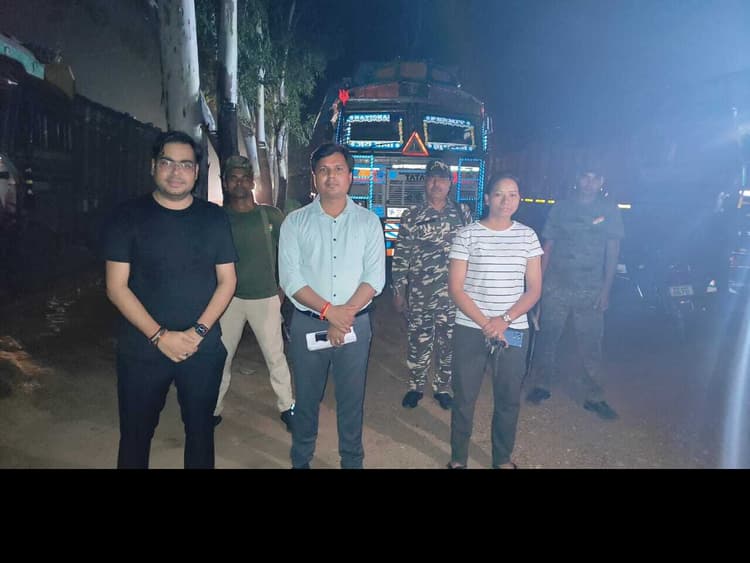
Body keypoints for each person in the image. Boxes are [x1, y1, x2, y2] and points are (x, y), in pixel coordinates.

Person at [103, 130, 238, 469]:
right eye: (168, 163)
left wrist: (197, 332)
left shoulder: (214, 218)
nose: (176, 172)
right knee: (135, 437)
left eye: (186, 164)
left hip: (201, 349)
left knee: (201, 434)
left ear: (196, 171)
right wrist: (159, 336)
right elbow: (116, 287)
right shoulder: (127, 216)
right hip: (141, 349)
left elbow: (227, 281)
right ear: (153, 166)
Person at [279, 142, 385, 469]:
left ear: (350, 176)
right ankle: (301, 460)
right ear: (314, 177)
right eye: (323, 170)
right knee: (306, 399)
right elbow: (290, 279)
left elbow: (374, 278)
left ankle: (351, 461)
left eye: (339, 169)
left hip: (355, 325)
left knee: (351, 400)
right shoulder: (295, 222)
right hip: (308, 323)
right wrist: (330, 313)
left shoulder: (369, 222)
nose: (331, 176)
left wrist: (343, 316)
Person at [447, 173, 542, 469]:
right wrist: (487, 323)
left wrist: (504, 320)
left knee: (508, 398)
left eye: (513, 194)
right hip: (470, 327)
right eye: (499, 194)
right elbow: (456, 288)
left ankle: (502, 458)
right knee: (464, 397)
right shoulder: (467, 235)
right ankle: (458, 458)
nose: (506, 201)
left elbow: (534, 289)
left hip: (513, 330)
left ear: (519, 199)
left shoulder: (528, 236)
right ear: (487, 198)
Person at [524, 169, 624, 420]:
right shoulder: (561, 209)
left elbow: (613, 252)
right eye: (585, 177)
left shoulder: (610, 210)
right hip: (556, 285)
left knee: (591, 344)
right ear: (577, 179)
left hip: (590, 288)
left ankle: (594, 396)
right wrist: (538, 287)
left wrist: (606, 289)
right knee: (547, 338)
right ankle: (541, 385)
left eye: (595, 178)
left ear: (602, 181)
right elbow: (548, 247)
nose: (590, 183)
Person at [213, 155, 295, 431]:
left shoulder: (269, 215)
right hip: (228, 300)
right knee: (221, 357)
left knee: (275, 357)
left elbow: (288, 254)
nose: (239, 183)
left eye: (244, 178)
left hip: (265, 297)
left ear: (252, 182)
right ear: (226, 183)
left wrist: (282, 289)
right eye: (233, 178)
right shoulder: (218, 218)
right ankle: (212, 409)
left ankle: (287, 406)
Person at [391, 159, 472, 410]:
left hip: (454, 296)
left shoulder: (462, 213)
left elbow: (472, 253)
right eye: (432, 179)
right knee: (418, 340)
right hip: (421, 294)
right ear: (425, 182)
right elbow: (401, 255)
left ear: (450, 183)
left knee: (448, 343)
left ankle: (442, 388)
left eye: (442, 179)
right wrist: (398, 290)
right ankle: (416, 386)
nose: (437, 184)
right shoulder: (412, 215)